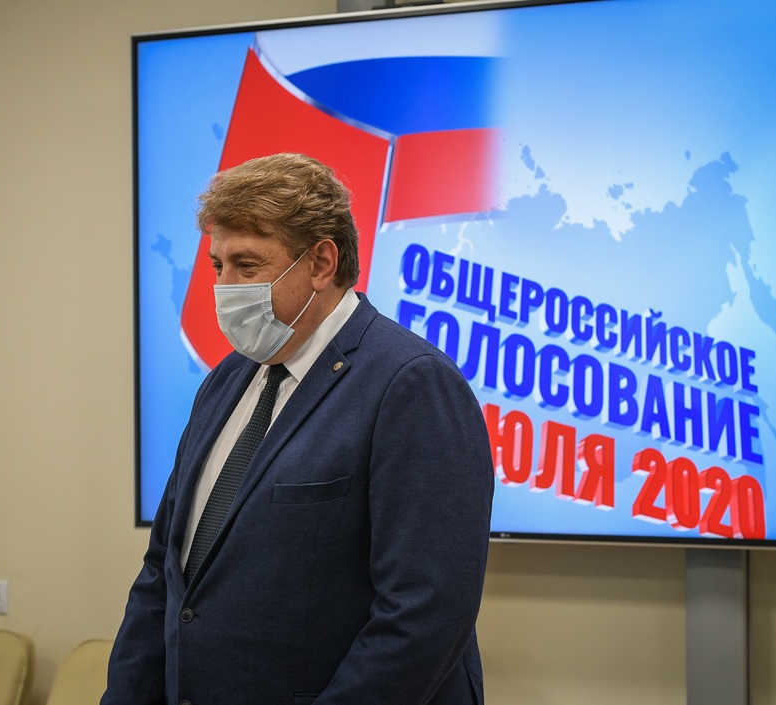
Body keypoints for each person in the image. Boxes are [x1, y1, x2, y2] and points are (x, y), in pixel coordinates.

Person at [103, 153, 495, 704]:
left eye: (247, 265)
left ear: (321, 263)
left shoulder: (412, 383)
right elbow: (163, 573)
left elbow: (424, 615)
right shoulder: (226, 380)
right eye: (217, 266)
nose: (224, 287)